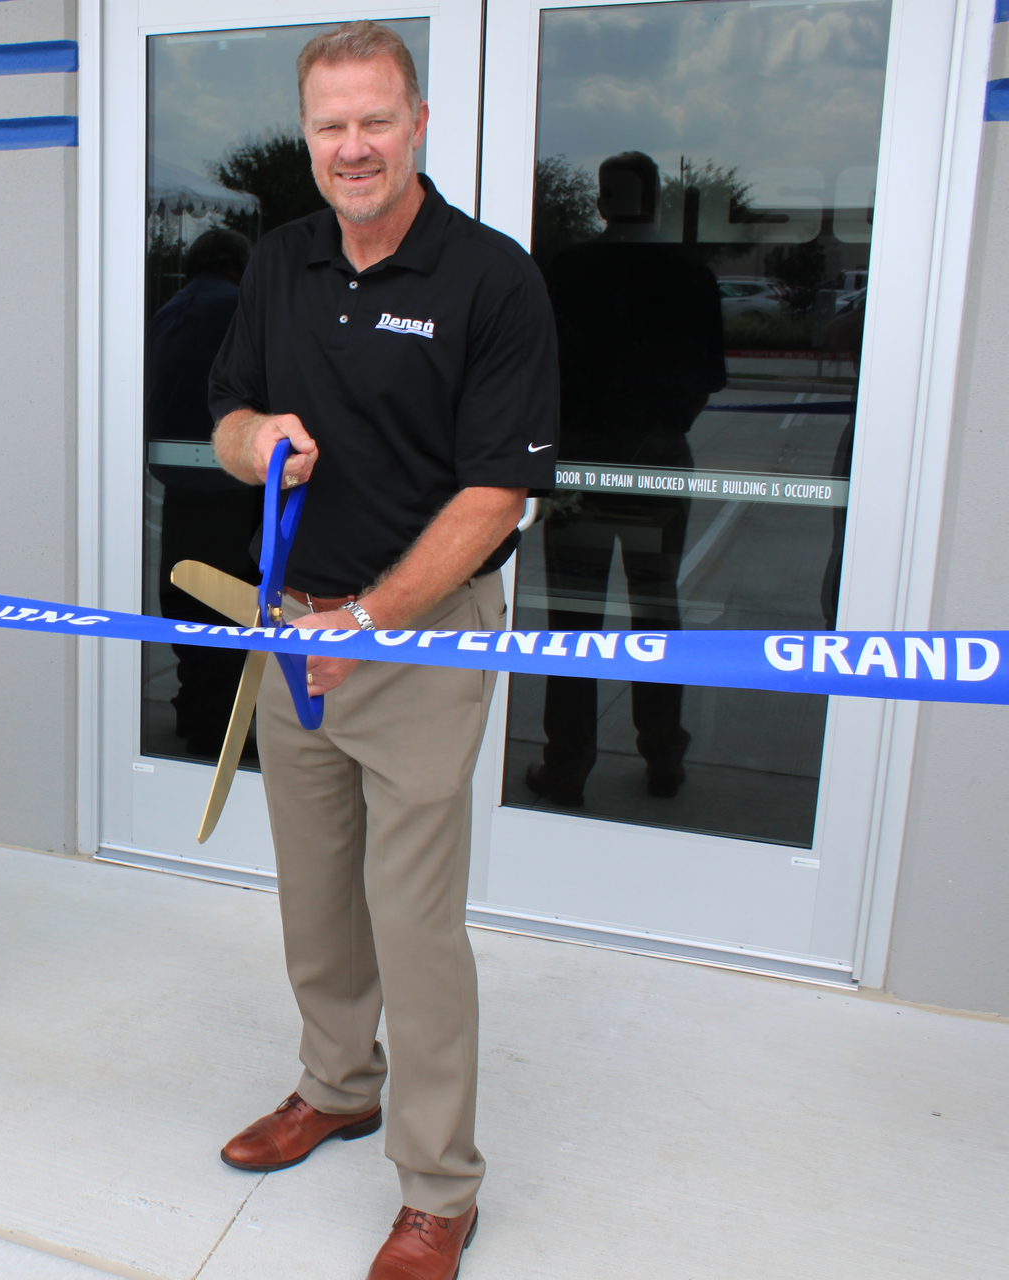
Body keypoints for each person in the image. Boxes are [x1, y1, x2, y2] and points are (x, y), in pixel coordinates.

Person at [205, 23, 557, 1280]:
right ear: (310, 139)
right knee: (315, 897)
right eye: (328, 127)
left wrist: (373, 620)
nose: (350, 147)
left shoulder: (489, 279)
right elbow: (227, 413)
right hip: (294, 625)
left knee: (413, 921)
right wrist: (258, 446)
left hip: (414, 638)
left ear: (415, 123)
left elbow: (495, 495)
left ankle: (440, 1190)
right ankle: (337, 1082)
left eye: (372, 120)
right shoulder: (281, 261)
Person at [526, 151, 724, 807]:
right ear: (657, 201)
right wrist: (656, 427)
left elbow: (543, 368)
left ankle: (567, 765)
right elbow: (707, 374)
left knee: (574, 618)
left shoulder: (573, 271)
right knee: (657, 611)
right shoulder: (687, 275)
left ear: (604, 203)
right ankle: (662, 753)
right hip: (656, 460)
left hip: (581, 459)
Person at [147, 228, 262, 757]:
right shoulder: (242, 308)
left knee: (187, 599)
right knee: (231, 606)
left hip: (181, 488)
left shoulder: (169, 310)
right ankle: (221, 731)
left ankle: (195, 716)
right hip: (232, 488)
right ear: (238, 266)